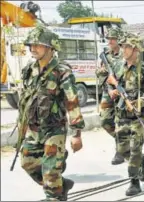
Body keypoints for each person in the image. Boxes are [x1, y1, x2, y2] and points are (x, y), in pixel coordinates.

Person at [19, 24, 84, 201]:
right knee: (27, 163)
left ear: (50, 47)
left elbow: (72, 101)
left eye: (38, 45)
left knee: (50, 173)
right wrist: (22, 127)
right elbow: (26, 101)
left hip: (54, 129)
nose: (33, 48)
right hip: (34, 128)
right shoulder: (29, 70)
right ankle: (59, 183)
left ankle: (54, 193)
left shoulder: (62, 71)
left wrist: (76, 133)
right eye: (31, 45)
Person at [106, 34, 144, 196]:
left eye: (127, 47)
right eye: (122, 47)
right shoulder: (117, 66)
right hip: (120, 115)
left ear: (135, 50)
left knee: (135, 149)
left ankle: (134, 181)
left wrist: (137, 103)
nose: (123, 50)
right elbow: (109, 83)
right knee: (122, 149)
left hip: (137, 116)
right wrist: (112, 91)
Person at [96, 27, 125, 165]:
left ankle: (120, 150)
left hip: (123, 91)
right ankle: (121, 141)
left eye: (113, 38)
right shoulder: (105, 55)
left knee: (121, 121)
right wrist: (108, 88)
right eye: (108, 39)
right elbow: (101, 73)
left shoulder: (126, 54)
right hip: (108, 91)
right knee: (105, 121)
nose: (110, 41)